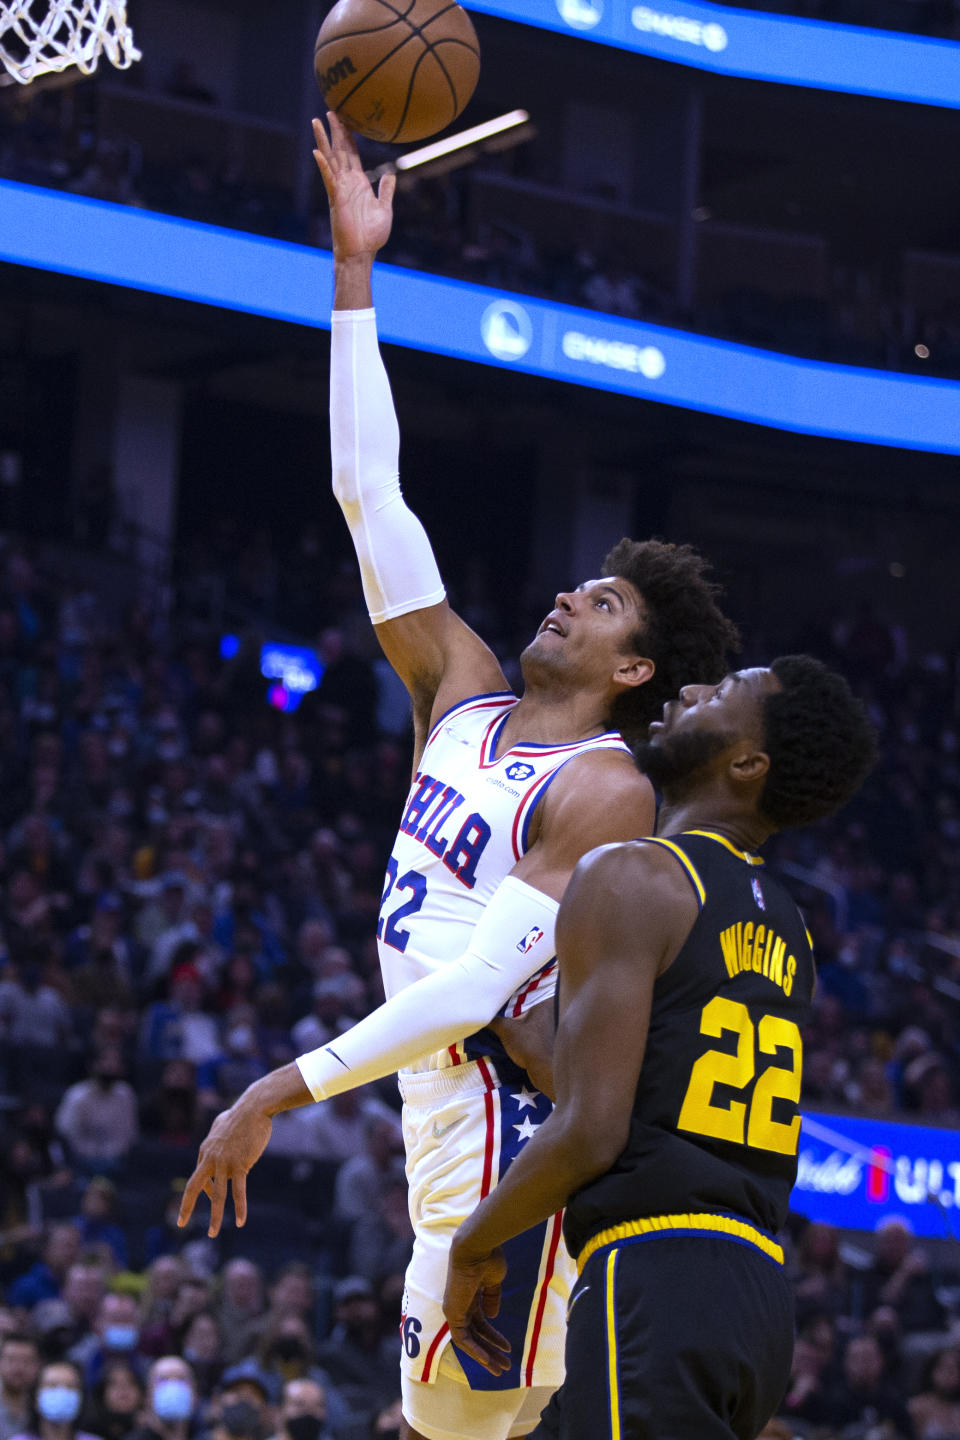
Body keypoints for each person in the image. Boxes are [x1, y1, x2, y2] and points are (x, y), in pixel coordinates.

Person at [178, 111, 738, 1440]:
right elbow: (370, 493)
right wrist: (355, 270)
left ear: (635, 671)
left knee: (463, 1424)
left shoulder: (602, 790)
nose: (566, 597)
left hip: (505, 1106)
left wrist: (272, 1089)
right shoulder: (463, 686)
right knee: (459, 1423)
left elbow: (480, 989)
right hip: (440, 1095)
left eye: (599, 605)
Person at [443, 656, 878, 1439]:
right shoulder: (788, 924)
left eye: (722, 695)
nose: (687, 691)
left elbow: (591, 1131)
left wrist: (472, 1245)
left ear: (746, 763)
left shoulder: (631, 874)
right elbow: (650, 1092)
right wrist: (522, 1027)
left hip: (655, 1274)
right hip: (755, 1301)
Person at [0, 1335, 40, 1440]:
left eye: (26, 1361)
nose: (19, 1368)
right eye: (11, 1360)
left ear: (38, 1365)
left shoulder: (45, 1406)